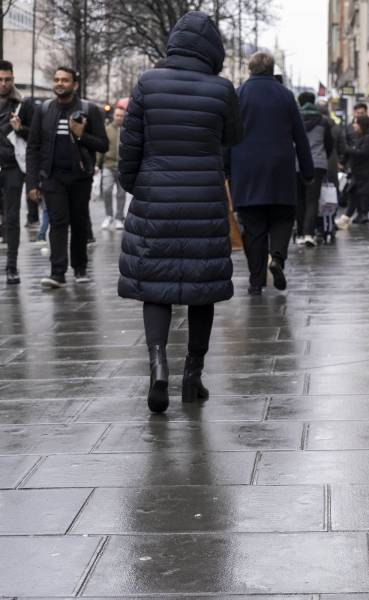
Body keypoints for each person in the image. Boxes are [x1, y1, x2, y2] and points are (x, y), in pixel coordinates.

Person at [117, 11, 243, 414]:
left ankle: (158, 365)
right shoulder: (222, 90)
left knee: (155, 287)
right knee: (200, 288)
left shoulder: (147, 83)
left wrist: (136, 185)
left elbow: (129, 145)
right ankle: (193, 374)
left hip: (156, 197)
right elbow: (233, 139)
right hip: (204, 198)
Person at [229, 52, 314, 294]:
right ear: (272, 69)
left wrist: (226, 168)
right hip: (280, 170)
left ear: (250, 69)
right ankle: (276, 257)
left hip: (246, 172)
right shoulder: (285, 95)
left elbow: (228, 135)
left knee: (253, 227)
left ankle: (256, 282)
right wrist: (307, 171)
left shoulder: (238, 95)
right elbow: (300, 137)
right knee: (282, 217)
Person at [26, 66, 108, 288]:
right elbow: (33, 148)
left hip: (80, 176)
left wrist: (82, 136)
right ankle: (57, 273)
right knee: (58, 221)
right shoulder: (44, 110)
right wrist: (32, 182)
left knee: (80, 223)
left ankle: (80, 268)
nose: (59, 83)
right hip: (52, 177)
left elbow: (103, 144)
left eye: (65, 80)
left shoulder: (89, 109)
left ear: (75, 84)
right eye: (56, 80)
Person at [0, 60, 34, 284]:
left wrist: (20, 128)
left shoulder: (23, 105)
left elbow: (35, 137)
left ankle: (11, 266)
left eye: (7, 79)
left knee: (12, 218)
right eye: (0, 80)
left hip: (12, 167)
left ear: (13, 79)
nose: (3, 83)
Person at [296, 91, 333, 247]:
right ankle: (309, 234)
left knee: (299, 199)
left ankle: (299, 235)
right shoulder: (324, 121)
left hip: (296, 164)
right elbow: (329, 144)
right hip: (317, 164)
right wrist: (322, 156)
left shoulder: (295, 119)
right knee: (312, 200)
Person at [99, 98, 128, 231]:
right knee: (106, 190)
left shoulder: (128, 131)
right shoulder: (107, 129)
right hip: (108, 165)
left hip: (123, 167)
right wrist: (97, 164)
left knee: (121, 194)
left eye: (122, 115)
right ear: (113, 116)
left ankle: (119, 217)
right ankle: (108, 215)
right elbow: (101, 147)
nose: (119, 117)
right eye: (117, 115)